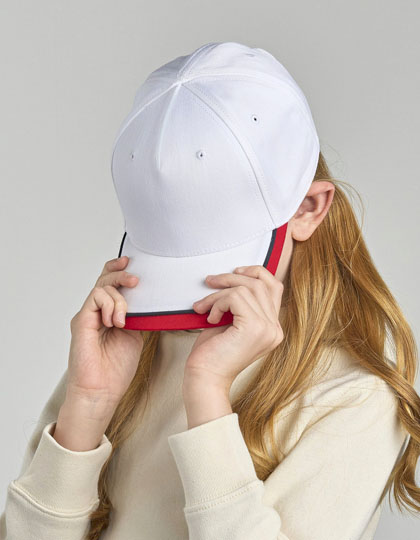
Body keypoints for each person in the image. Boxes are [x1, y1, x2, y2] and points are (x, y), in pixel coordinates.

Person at [1, 42, 419, 540]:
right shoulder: (124, 356)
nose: (190, 297)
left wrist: (207, 391)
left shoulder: (351, 399)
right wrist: (88, 403)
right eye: (171, 260)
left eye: (213, 258)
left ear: (309, 209)